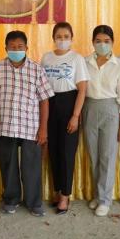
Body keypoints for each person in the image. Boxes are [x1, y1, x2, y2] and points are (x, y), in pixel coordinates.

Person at [0, 31, 53, 217]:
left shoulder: (37, 69)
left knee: (31, 166)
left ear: (27, 48)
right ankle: (11, 199)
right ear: (5, 48)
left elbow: (44, 100)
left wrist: (43, 129)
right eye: (12, 47)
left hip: (30, 126)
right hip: (6, 125)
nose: (16, 50)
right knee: (8, 165)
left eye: (20, 47)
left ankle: (34, 202)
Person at [83, 25, 120, 217]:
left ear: (112, 42)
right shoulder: (85, 62)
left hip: (111, 110)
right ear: (92, 42)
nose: (102, 44)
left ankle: (105, 200)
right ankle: (98, 194)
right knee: (94, 155)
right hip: (89, 108)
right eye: (98, 41)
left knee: (107, 156)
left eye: (106, 41)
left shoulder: (119, 66)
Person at [41, 22, 89, 214]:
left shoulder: (77, 59)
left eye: (66, 37)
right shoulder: (46, 57)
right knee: (54, 151)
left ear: (71, 38)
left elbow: (82, 89)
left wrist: (75, 116)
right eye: (59, 37)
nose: (62, 40)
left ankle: (65, 195)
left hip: (69, 104)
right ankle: (57, 190)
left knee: (67, 153)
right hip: (50, 104)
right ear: (53, 38)